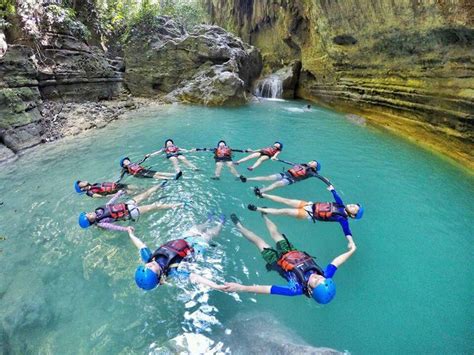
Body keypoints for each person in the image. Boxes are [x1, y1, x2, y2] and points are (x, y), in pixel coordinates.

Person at [222, 213, 357, 304]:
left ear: (310, 290)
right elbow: (337, 262)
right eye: (322, 278)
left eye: (316, 282)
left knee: (258, 241)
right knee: (276, 234)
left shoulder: (295, 289)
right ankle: (265, 215)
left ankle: (239, 226)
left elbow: (268, 289)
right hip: (292, 252)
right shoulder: (324, 275)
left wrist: (242, 288)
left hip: (278, 262)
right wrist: (351, 250)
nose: (317, 277)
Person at [127, 214, 227, 291]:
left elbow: (141, 246)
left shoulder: (149, 258)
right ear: (158, 276)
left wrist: (131, 235)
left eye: (146, 266)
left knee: (194, 229)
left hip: (183, 241)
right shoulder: (173, 271)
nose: (149, 265)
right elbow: (195, 277)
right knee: (208, 235)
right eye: (150, 269)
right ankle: (220, 224)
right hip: (195, 248)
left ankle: (208, 221)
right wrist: (215, 286)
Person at [247, 185, 364, 237]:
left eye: (355, 208)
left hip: (309, 214)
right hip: (309, 204)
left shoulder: (342, 219)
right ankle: (262, 194)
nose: (353, 205)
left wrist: (350, 241)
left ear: (353, 215)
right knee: (285, 200)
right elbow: (336, 196)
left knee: (284, 211)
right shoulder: (341, 204)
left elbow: (347, 231)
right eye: (354, 204)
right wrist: (332, 189)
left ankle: (258, 209)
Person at [78, 182, 184, 232]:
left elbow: (109, 204)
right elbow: (113, 227)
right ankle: (176, 205)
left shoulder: (98, 211)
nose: (88, 214)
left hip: (127, 204)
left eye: (86, 213)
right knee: (153, 206)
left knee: (145, 194)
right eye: (88, 217)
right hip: (131, 212)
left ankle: (162, 184)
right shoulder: (102, 223)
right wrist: (126, 228)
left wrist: (118, 194)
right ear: (90, 222)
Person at [240, 160, 321, 194]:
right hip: (286, 173)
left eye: (314, 162)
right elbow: (291, 164)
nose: (311, 161)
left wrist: (328, 183)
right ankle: (247, 179)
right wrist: (277, 159)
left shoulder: (312, 173)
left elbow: (319, 177)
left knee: (276, 184)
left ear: (315, 167)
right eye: (312, 160)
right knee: (268, 177)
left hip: (292, 179)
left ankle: (260, 191)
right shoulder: (303, 164)